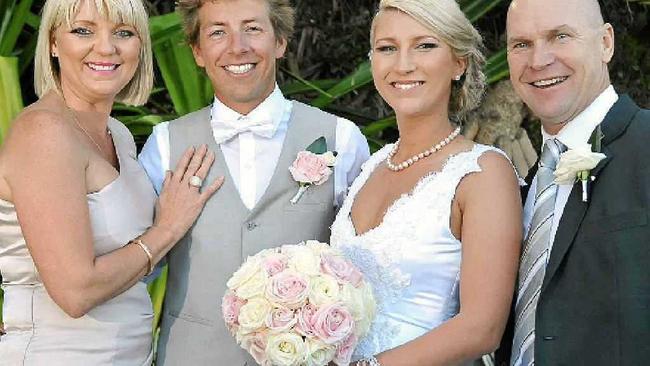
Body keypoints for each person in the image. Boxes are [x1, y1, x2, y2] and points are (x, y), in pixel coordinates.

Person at [137, 0, 370, 364]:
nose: (237, 46)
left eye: (253, 28)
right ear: (198, 52)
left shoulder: (341, 139)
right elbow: (137, 268)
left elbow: (363, 266)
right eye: (218, 32)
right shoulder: (164, 145)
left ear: (280, 41)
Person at [0, 0, 222, 364]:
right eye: (83, 30)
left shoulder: (116, 134)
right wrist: (165, 229)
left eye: (124, 32)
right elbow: (75, 292)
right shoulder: (43, 133)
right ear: (53, 43)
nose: (106, 47)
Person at [329, 0, 523, 365]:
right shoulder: (371, 166)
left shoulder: (482, 172)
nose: (403, 64)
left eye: (425, 45)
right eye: (387, 48)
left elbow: (482, 328)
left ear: (458, 63)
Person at [495, 0, 650, 365]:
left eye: (560, 36)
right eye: (521, 44)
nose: (538, 60)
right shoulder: (521, 187)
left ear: (606, 43)